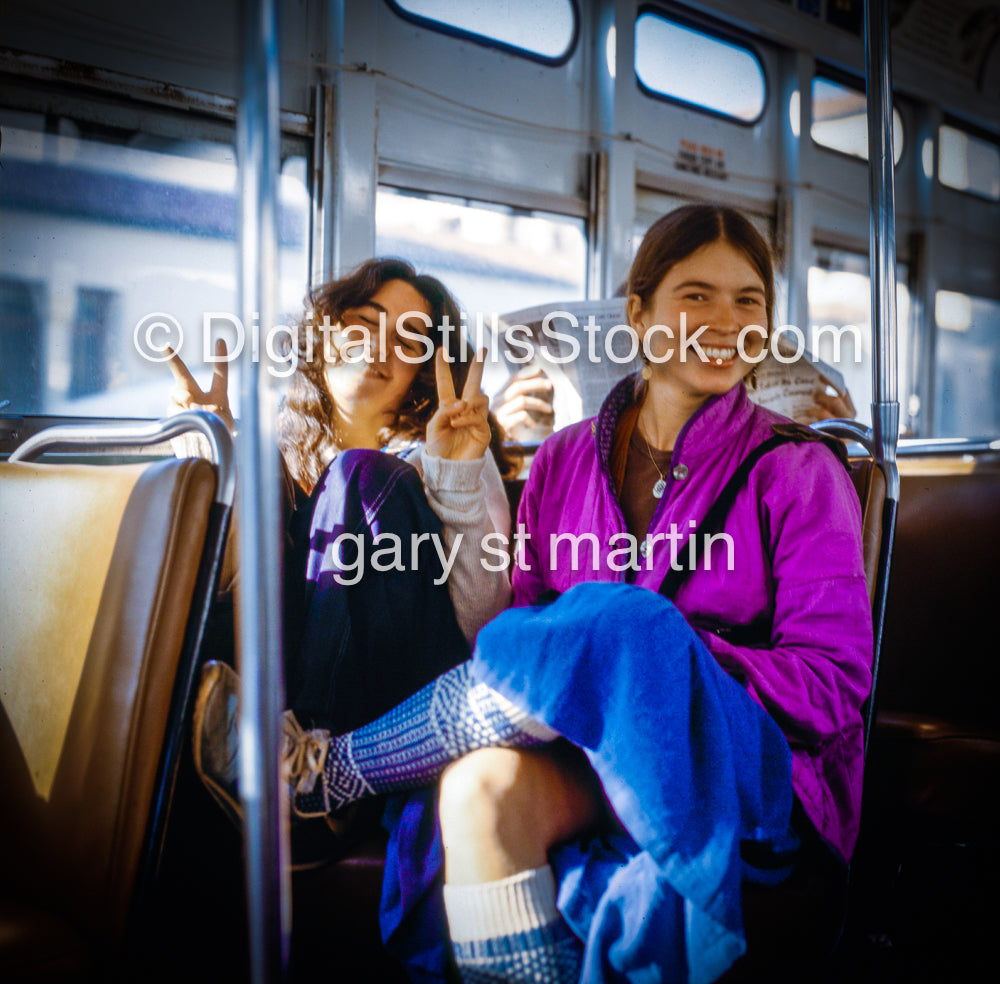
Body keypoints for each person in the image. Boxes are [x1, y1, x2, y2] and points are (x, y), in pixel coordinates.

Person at [203, 208, 873, 983]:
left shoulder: (800, 471)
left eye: (749, 301)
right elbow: (519, 631)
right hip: (586, 752)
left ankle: (338, 770)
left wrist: (665, 664)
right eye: (697, 296)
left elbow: (834, 686)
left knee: (626, 627)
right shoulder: (562, 462)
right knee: (481, 792)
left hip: (751, 763)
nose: (726, 322)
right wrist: (608, 673)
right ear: (639, 314)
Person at [176, 259, 516, 831]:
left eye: (408, 339)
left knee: (364, 475)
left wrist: (454, 480)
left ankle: (309, 767)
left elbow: (478, 625)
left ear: (425, 373)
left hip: (388, 716)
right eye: (364, 322)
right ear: (325, 334)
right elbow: (225, 591)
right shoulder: (274, 454)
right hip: (270, 688)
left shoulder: (448, 449)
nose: (380, 347)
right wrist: (215, 461)